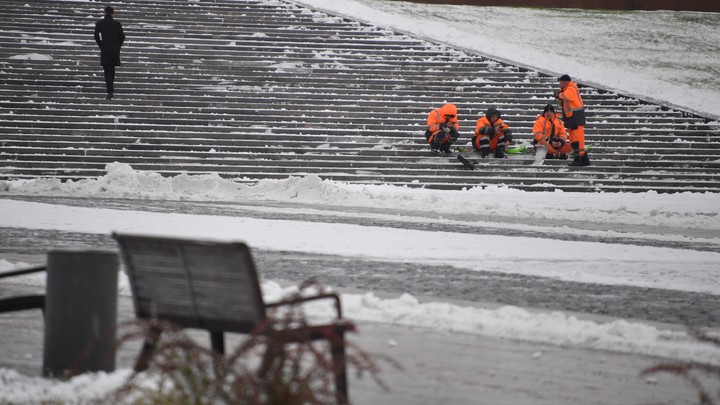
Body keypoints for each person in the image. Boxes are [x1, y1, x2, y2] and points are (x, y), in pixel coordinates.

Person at [555, 74, 590, 166]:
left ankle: (579, 158)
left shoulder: (571, 88)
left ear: (565, 82)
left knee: (577, 139)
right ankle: (584, 159)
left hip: (575, 117)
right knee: (574, 139)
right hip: (572, 118)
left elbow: (567, 96)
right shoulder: (568, 88)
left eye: (561, 82)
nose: (560, 84)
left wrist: (559, 94)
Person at [94, 6, 125, 100]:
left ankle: (110, 90)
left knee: (107, 70)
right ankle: (110, 89)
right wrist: (117, 45)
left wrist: (101, 45)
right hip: (114, 49)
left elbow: (96, 36)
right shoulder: (117, 24)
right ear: (113, 13)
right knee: (112, 69)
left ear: (104, 12)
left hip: (105, 49)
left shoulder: (100, 23)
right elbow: (122, 36)